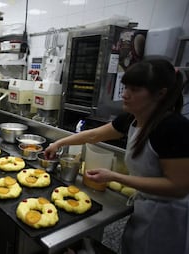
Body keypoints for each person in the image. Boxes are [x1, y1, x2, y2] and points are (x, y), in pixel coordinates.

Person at [45, 58, 189, 254]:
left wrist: (115, 176)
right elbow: (94, 134)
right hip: (145, 207)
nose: (125, 94)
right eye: (126, 87)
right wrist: (59, 142)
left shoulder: (174, 128)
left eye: (135, 90)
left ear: (160, 93)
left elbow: (178, 187)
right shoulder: (133, 118)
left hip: (169, 218)